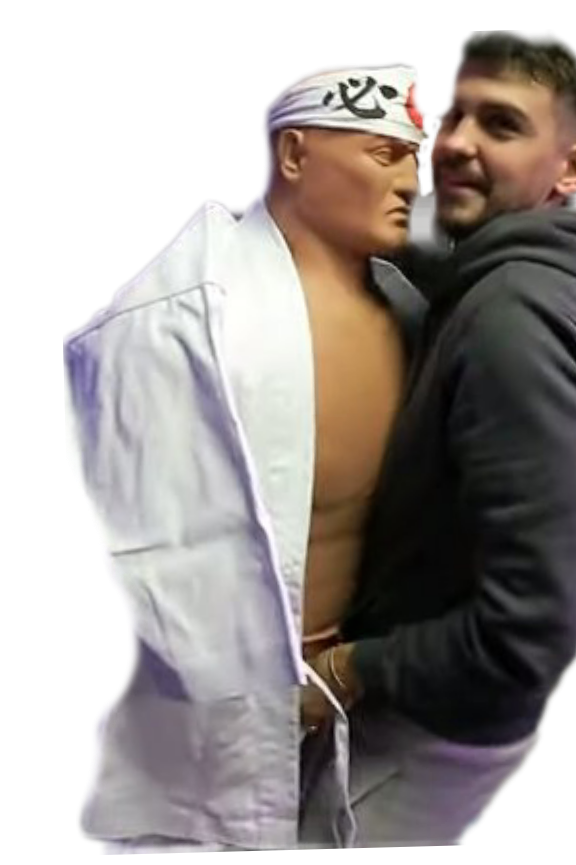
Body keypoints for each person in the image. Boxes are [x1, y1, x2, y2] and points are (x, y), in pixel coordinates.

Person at [65, 65, 429, 853]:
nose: (411, 182)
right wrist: (257, 695)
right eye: (384, 154)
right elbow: (153, 541)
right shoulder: (184, 316)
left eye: (415, 160)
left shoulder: (409, 311)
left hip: (359, 717)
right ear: (294, 154)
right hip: (212, 722)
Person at [297, 32, 576, 848]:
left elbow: (533, 633)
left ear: (572, 169)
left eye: (501, 125)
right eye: (452, 115)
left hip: (425, 735)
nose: (454, 145)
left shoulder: (516, 320)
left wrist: (350, 669)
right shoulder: (482, 276)